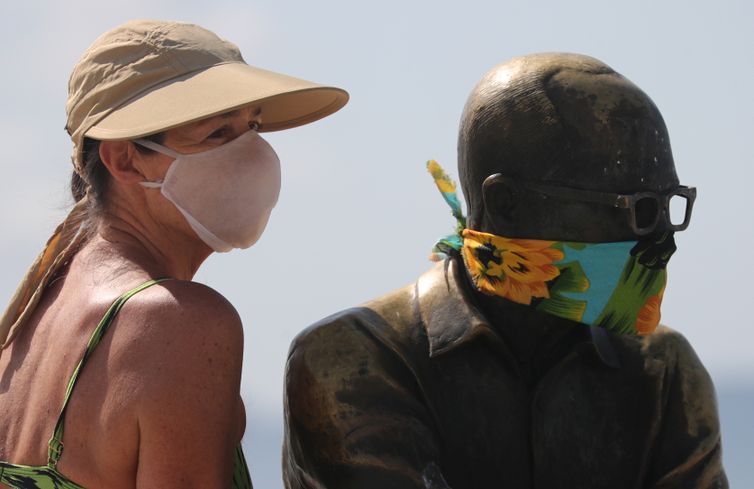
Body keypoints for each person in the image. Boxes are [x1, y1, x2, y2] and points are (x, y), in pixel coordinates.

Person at [282, 53, 726, 489]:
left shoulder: (664, 370)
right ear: (507, 205)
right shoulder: (355, 359)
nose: (662, 239)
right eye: (638, 210)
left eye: (669, 206)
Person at [0, 19, 347, 489]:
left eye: (253, 126)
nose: (253, 153)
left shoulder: (32, 321)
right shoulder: (179, 323)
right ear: (125, 160)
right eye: (217, 133)